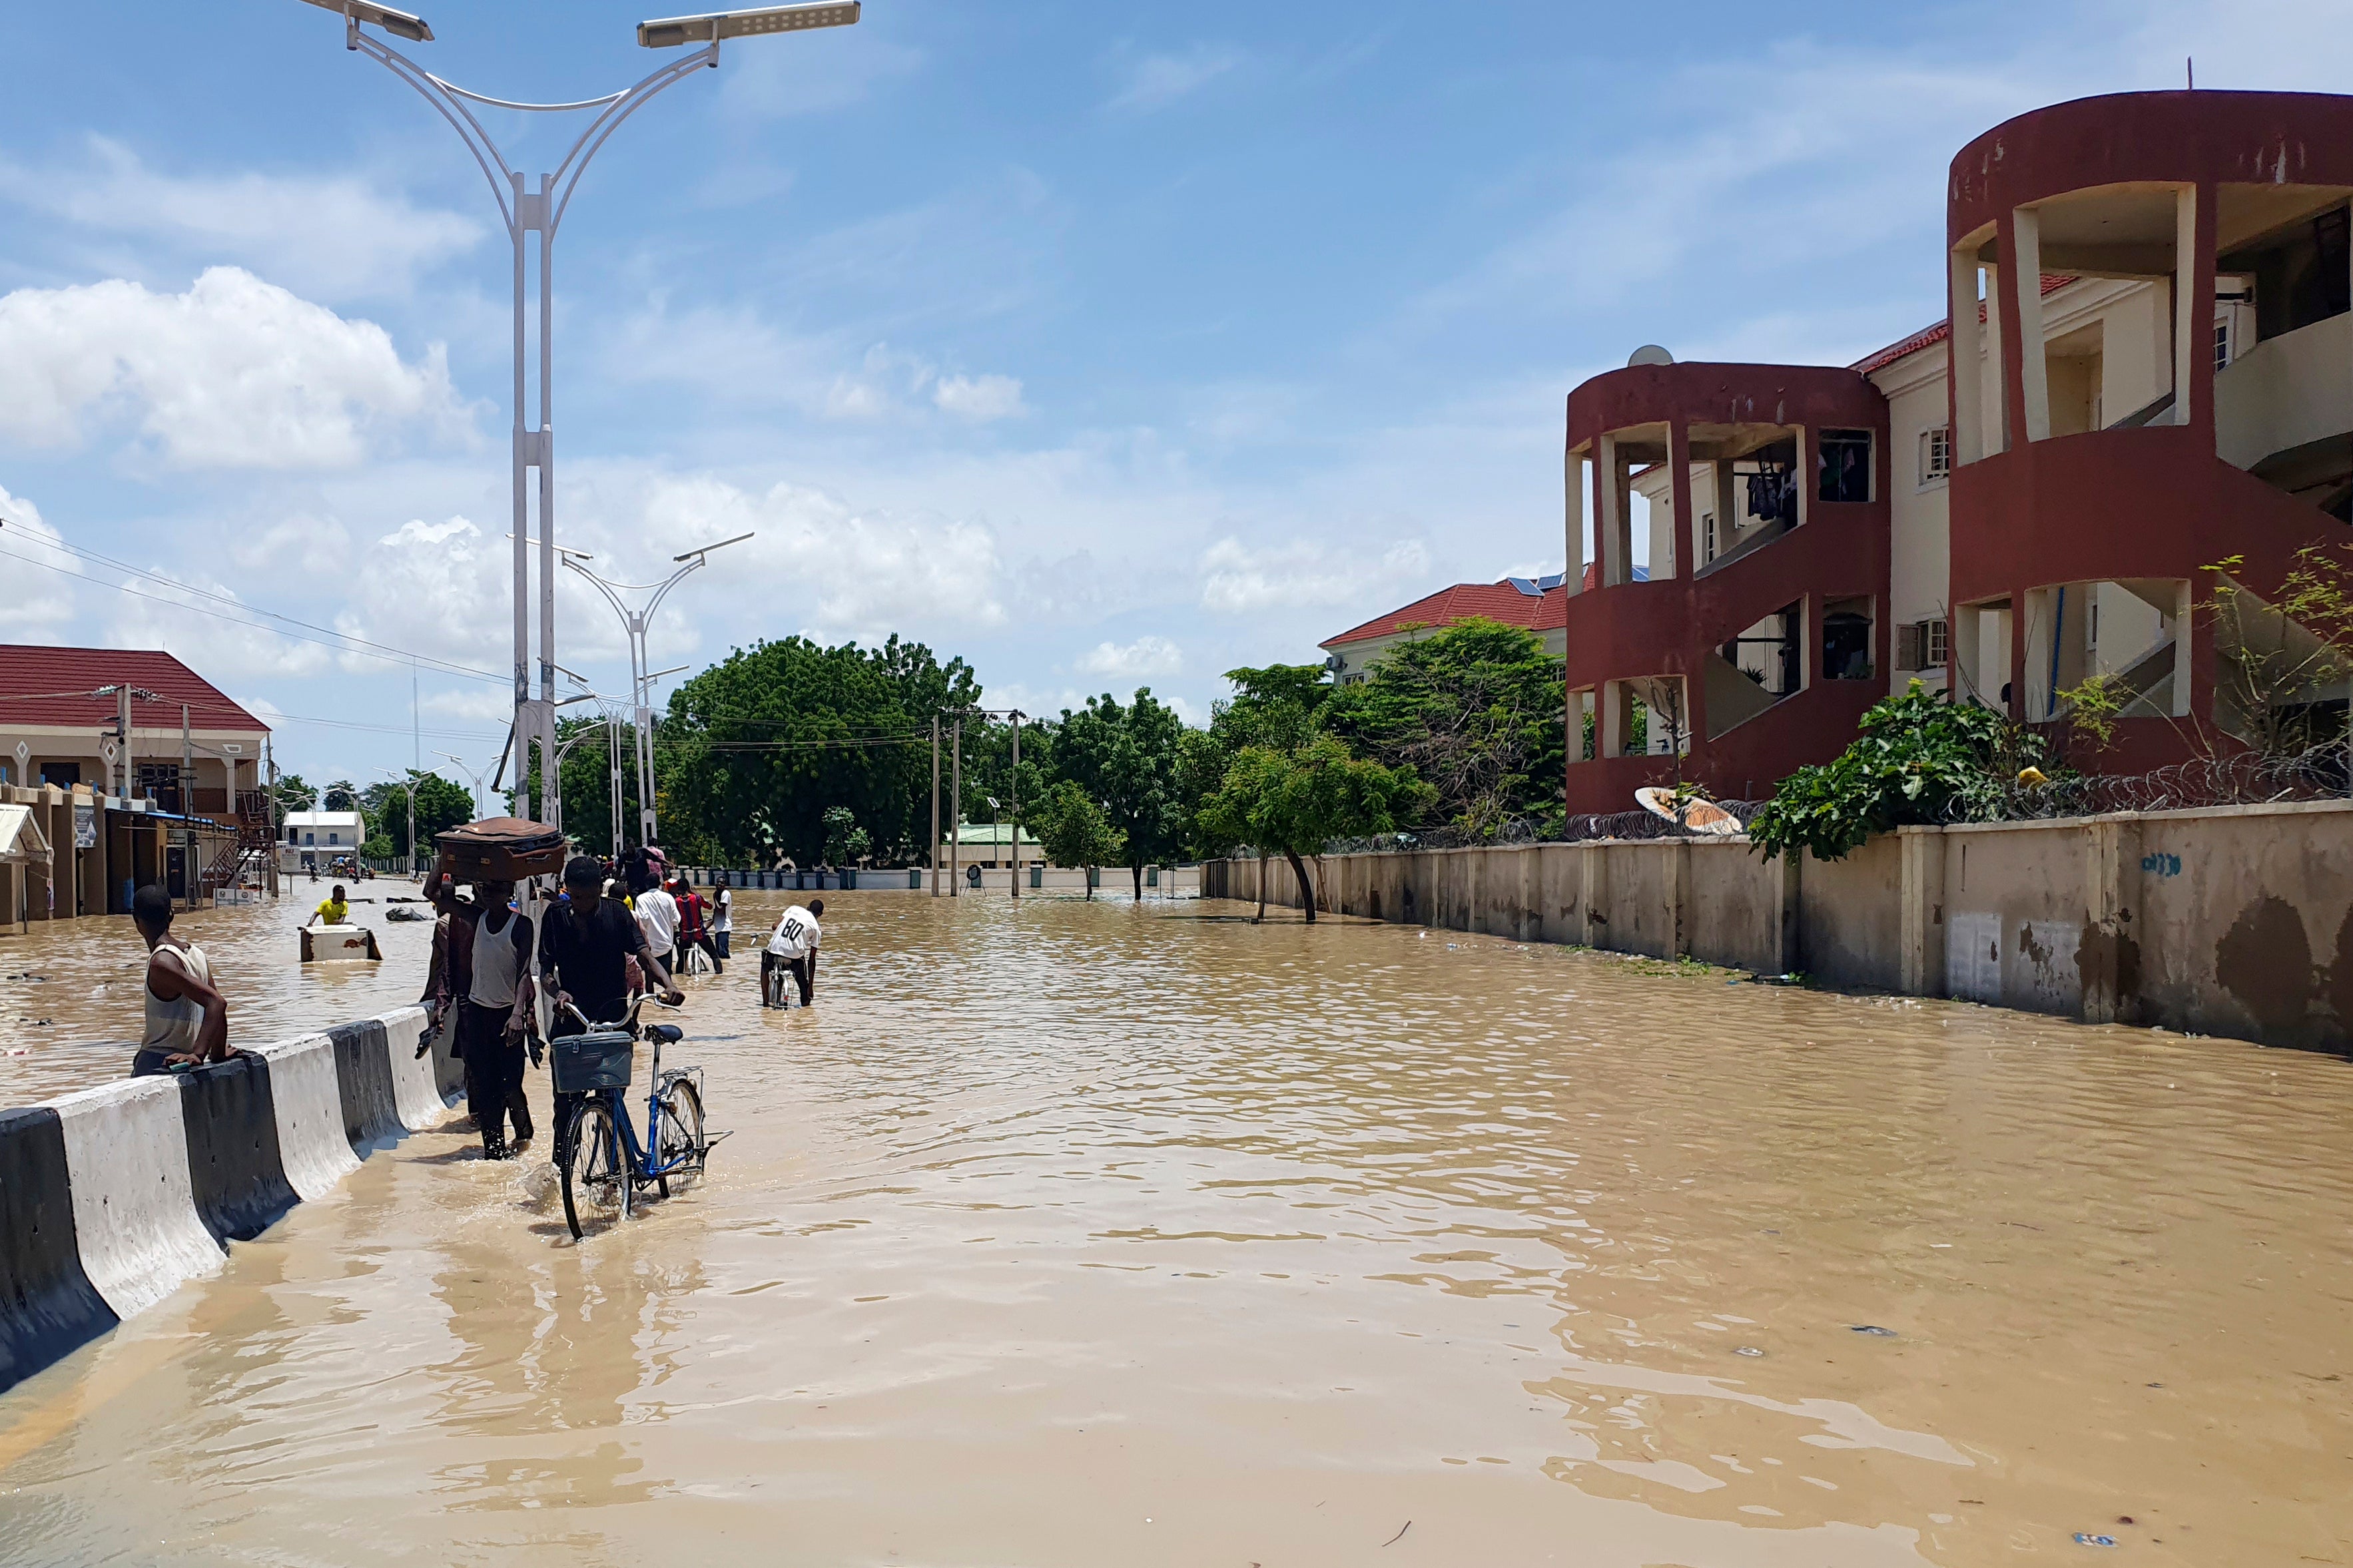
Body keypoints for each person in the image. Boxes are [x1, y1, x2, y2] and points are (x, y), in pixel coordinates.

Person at [540, 856, 684, 1160]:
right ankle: (561, 1171)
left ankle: (613, 1169)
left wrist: (668, 984)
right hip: (571, 1022)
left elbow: (644, 956)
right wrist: (558, 993)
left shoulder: (617, 913)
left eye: (590, 897)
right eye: (576, 897)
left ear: (599, 891)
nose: (582, 904)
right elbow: (546, 972)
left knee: (611, 1100)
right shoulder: (554, 916)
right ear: (567, 890)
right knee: (564, 1107)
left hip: (613, 1021)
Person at [462, 879, 535, 1160]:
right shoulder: (475, 918)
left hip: (508, 1015)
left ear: (509, 893)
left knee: (510, 1083)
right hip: (478, 1013)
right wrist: (444, 864)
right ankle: (493, 1153)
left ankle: (524, 1133)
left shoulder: (521, 926)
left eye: (496, 889)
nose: (489, 893)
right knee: (484, 1085)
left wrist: (519, 1014)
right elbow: (434, 897)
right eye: (485, 888)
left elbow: (524, 972)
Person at [130, 884, 234, 1075]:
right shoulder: (195, 954)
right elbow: (215, 1006)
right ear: (171, 916)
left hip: (159, 1061)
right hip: (185, 1066)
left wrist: (198, 1054)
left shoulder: (160, 963)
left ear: (136, 920)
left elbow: (216, 1002)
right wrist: (218, 1052)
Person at [761, 898, 823, 1009]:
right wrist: (810, 988)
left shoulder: (793, 909)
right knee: (804, 987)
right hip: (794, 958)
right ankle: (805, 1002)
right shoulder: (816, 928)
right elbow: (812, 960)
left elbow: (774, 927)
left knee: (765, 968)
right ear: (820, 914)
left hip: (774, 951)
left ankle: (766, 1003)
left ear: (807, 907)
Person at [674, 876, 723, 976]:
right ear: (688, 887)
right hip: (699, 933)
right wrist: (696, 893)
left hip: (685, 935)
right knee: (714, 955)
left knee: (681, 960)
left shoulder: (677, 901)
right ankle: (719, 977)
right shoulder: (696, 898)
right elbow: (709, 907)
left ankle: (678, 980)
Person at [633, 873, 679, 977]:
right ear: (660, 884)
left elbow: (643, 920)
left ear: (646, 885)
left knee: (649, 978)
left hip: (649, 947)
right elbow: (676, 920)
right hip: (666, 945)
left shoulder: (641, 899)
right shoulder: (669, 898)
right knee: (667, 977)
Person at [710, 874, 734, 962]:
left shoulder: (725, 894)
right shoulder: (718, 894)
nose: (719, 884)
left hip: (724, 928)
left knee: (723, 953)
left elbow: (721, 909)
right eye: (718, 883)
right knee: (719, 953)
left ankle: (727, 970)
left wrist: (715, 897)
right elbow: (715, 913)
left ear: (725, 885)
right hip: (718, 929)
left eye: (722, 883)